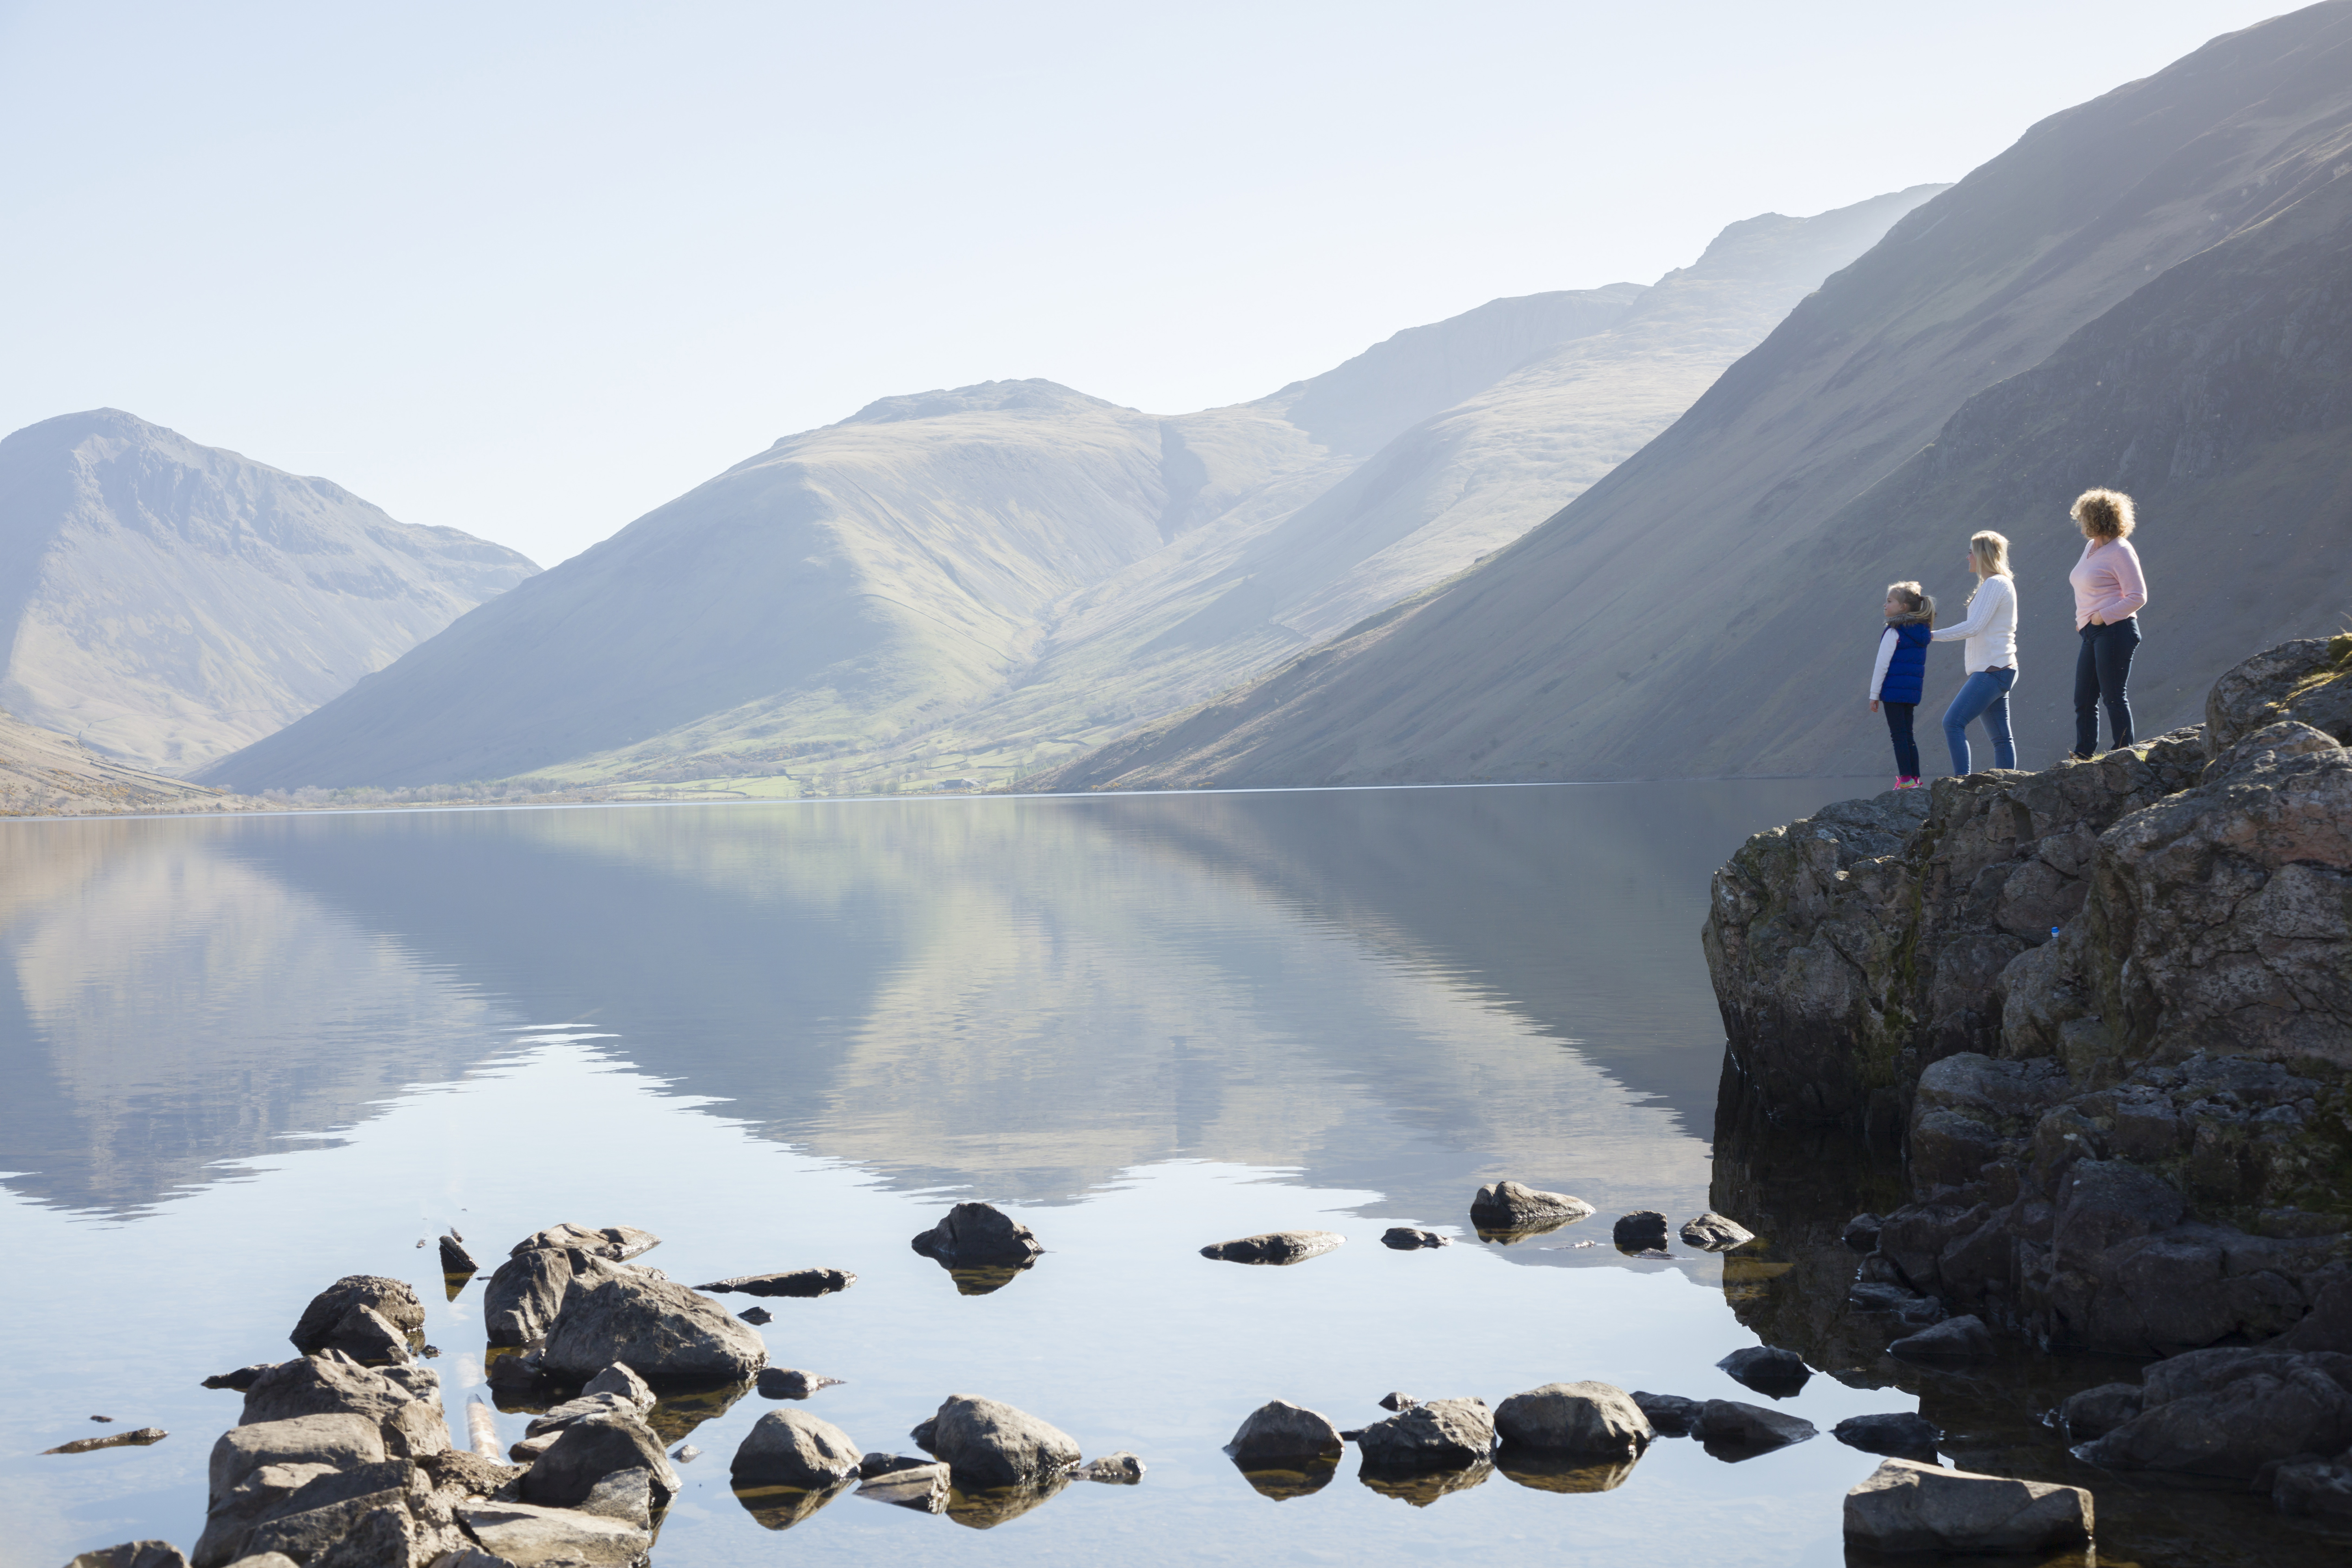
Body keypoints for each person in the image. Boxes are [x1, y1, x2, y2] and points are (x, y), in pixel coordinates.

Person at [2068, 487, 2149, 758]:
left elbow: (2138, 596)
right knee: (2084, 699)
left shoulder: (2120, 550)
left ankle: (2124, 753)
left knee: (2113, 695)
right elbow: (2090, 587)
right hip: (2091, 632)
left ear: (2095, 518)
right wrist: (2084, 620)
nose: (2080, 522)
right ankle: (2083, 754)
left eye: (2083, 517)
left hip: (2116, 630)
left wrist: (2102, 616)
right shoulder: (2091, 548)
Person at [1933, 531, 2019, 774]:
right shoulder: (1996, 584)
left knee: (1953, 723)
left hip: (1992, 670)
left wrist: (1930, 636)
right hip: (1998, 669)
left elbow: (1973, 627)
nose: (1968, 557)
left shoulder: (1996, 584)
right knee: (2001, 738)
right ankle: (2005, 789)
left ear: (1982, 555)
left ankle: (1961, 785)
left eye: (1971, 552)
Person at [1868, 581, 1936, 789]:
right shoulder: (1921, 633)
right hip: (1911, 693)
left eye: (1889, 601)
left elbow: (1882, 666)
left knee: (1898, 736)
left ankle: (1906, 780)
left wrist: (1874, 695)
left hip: (1893, 693)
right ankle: (1914, 779)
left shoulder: (1893, 632)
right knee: (1908, 735)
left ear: (1903, 607)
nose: (1885, 605)